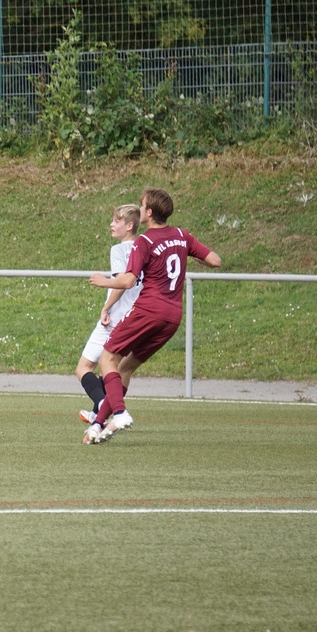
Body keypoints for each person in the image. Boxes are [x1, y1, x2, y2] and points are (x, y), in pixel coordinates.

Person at [83, 186, 221, 445]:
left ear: (148, 212)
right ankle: (98, 424)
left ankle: (120, 413)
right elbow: (215, 260)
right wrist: (187, 252)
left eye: (142, 205)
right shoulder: (182, 236)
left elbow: (128, 281)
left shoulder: (144, 241)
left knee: (107, 358)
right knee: (125, 368)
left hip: (149, 310)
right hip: (172, 317)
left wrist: (103, 281)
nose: (140, 207)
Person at [76, 204, 142, 423]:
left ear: (129, 225)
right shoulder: (145, 248)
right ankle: (98, 414)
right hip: (135, 318)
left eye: (116, 221)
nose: (111, 225)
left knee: (83, 368)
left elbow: (121, 283)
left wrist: (105, 308)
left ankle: (103, 404)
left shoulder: (119, 250)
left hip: (114, 318)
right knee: (114, 370)